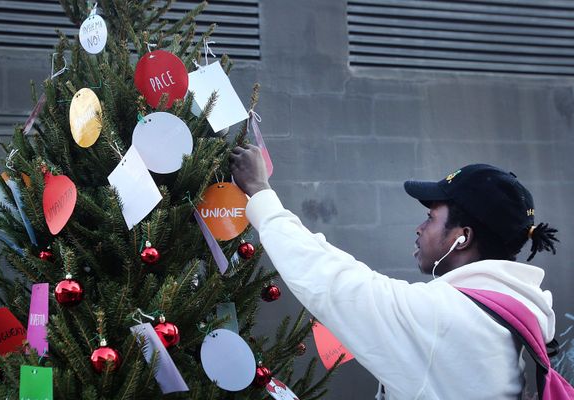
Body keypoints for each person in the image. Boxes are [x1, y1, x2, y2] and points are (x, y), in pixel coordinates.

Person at [230, 144, 560, 399]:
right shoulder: (515, 312)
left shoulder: (444, 318)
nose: (419, 228)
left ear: (463, 238)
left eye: (431, 217)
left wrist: (261, 193)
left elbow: (334, 281)